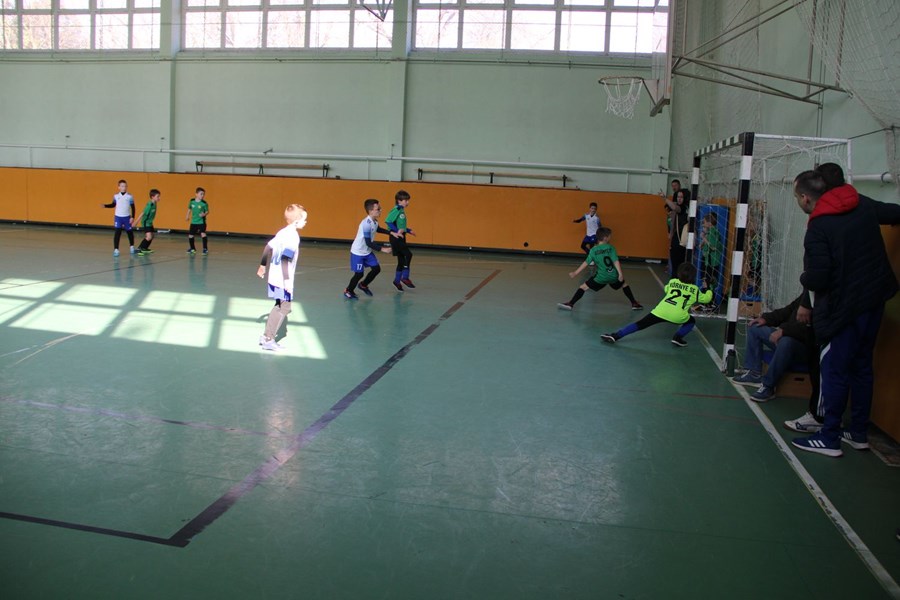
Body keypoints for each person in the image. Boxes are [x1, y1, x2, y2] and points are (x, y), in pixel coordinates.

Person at [789, 167, 900, 457]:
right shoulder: (861, 203)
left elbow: (819, 277)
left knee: (834, 370)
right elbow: (893, 212)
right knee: (862, 365)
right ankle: (859, 433)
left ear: (805, 198)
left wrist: (804, 280)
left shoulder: (819, 226)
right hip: (874, 300)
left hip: (843, 310)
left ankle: (829, 437)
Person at [731, 294, 818, 403]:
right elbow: (788, 311)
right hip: (789, 336)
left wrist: (784, 331)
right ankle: (754, 374)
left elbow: (812, 330)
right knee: (755, 328)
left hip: (806, 348)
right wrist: (766, 319)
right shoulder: (807, 295)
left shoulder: (822, 300)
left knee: (786, 342)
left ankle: (768, 386)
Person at [601, 262, 711, 347]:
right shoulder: (695, 290)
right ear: (693, 276)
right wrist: (707, 289)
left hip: (660, 311)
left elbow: (667, 290)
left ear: (679, 273)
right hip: (678, 316)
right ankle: (677, 337)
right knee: (691, 321)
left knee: (640, 324)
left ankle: (616, 335)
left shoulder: (673, 282)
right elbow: (707, 299)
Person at [256, 204, 308, 351]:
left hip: (274, 276)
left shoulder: (282, 232)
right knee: (284, 307)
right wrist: (287, 282)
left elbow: (268, 247)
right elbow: (285, 259)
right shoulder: (293, 236)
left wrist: (262, 266)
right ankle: (269, 339)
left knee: (279, 305)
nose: (306, 222)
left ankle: (266, 336)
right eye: (304, 219)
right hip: (282, 279)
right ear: (296, 221)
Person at [557, 227, 642, 311]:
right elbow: (616, 261)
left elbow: (586, 262)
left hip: (601, 278)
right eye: (610, 236)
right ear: (605, 238)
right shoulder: (611, 247)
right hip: (613, 276)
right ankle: (634, 303)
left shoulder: (593, 250)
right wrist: (620, 274)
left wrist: (575, 273)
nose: (610, 238)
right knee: (624, 284)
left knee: (583, 287)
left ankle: (571, 304)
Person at [344, 198, 393, 299]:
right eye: (378, 209)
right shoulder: (366, 223)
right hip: (358, 252)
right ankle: (348, 290)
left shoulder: (374, 221)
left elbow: (378, 229)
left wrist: (391, 232)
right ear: (371, 211)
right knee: (359, 274)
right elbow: (368, 243)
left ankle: (363, 285)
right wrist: (382, 249)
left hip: (367, 251)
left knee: (376, 269)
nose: (380, 210)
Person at [385, 189, 416, 291]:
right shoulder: (397, 209)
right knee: (408, 254)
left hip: (401, 237)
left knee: (401, 260)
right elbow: (388, 221)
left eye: (408, 200)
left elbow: (400, 225)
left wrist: (408, 230)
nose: (408, 202)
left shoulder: (401, 210)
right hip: (396, 238)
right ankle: (405, 277)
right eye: (405, 200)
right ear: (399, 200)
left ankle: (397, 281)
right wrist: (396, 231)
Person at [661, 179, 691, 276]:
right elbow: (673, 221)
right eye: (678, 197)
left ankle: (676, 280)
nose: (679, 199)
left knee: (678, 265)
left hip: (682, 240)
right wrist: (670, 233)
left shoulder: (683, 208)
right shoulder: (682, 208)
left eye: (681, 197)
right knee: (676, 265)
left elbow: (675, 208)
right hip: (678, 239)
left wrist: (664, 198)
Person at [100, 179, 135, 257]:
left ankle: (132, 246)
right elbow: (113, 204)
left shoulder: (130, 196)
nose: (124, 188)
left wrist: (132, 217)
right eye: (122, 186)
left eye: (125, 186)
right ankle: (116, 249)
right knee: (117, 233)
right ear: (119, 187)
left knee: (129, 232)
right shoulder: (116, 196)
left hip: (127, 217)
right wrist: (105, 206)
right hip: (118, 217)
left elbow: (133, 207)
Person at [698, 212, 722, 294]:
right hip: (707, 260)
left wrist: (703, 237)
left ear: (709, 223)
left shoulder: (713, 232)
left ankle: (709, 299)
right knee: (705, 279)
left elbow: (712, 247)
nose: (703, 223)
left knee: (709, 281)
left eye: (704, 222)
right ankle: (706, 297)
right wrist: (703, 238)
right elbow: (701, 246)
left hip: (710, 262)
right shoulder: (709, 232)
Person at [135, 189, 161, 256]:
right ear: (152, 197)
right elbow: (143, 213)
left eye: (159, 196)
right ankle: (139, 249)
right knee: (149, 237)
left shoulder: (155, 203)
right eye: (158, 196)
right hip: (146, 222)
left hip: (150, 222)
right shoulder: (150, 205)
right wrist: (136, 222)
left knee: (152, 236)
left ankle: (145, 248)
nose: (159, 198)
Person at [185, 187, 210, 255]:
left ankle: (205, 249)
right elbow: (189, 209)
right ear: (196, 194)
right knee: (190, 235)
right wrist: (187, 216)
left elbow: (207, 211)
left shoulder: (204, 203)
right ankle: (192, 249)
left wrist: (204, 214)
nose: (202, 195)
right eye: (201, 194)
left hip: (201, 222)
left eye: (203, 194)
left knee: (203, 233)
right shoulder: (192, 201)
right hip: (193, 222)